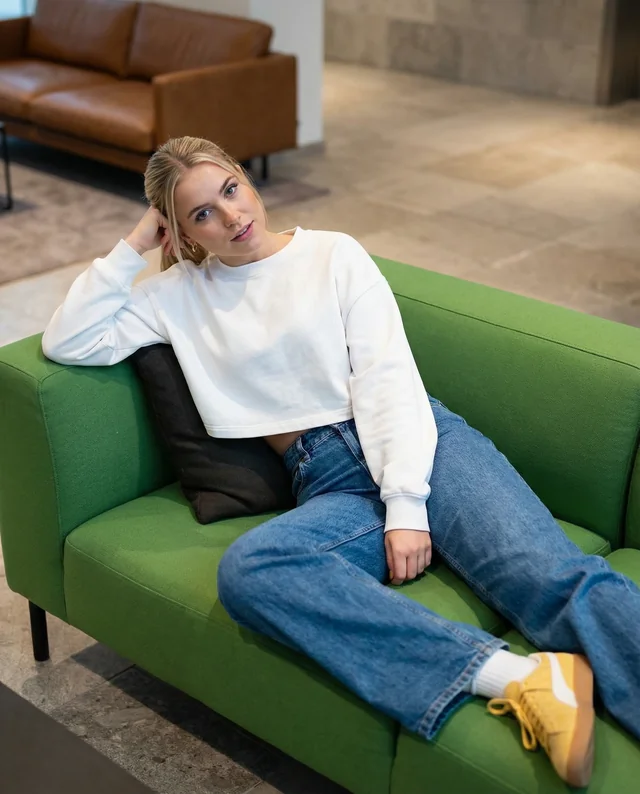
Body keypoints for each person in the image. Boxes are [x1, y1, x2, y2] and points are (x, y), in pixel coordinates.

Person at [42, 136, 640, 788]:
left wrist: (406, 502)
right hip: (326, 480)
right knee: (252, 573)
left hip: (422, 443)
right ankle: (519, 677)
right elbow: (69, 339)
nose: (232, 216)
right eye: (202, 214)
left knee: (554, 580)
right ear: (181, 233)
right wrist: (135, 242)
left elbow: (386, 377)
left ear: (246, 178)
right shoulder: (177, 295)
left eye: (230, 190)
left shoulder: (332, 253)